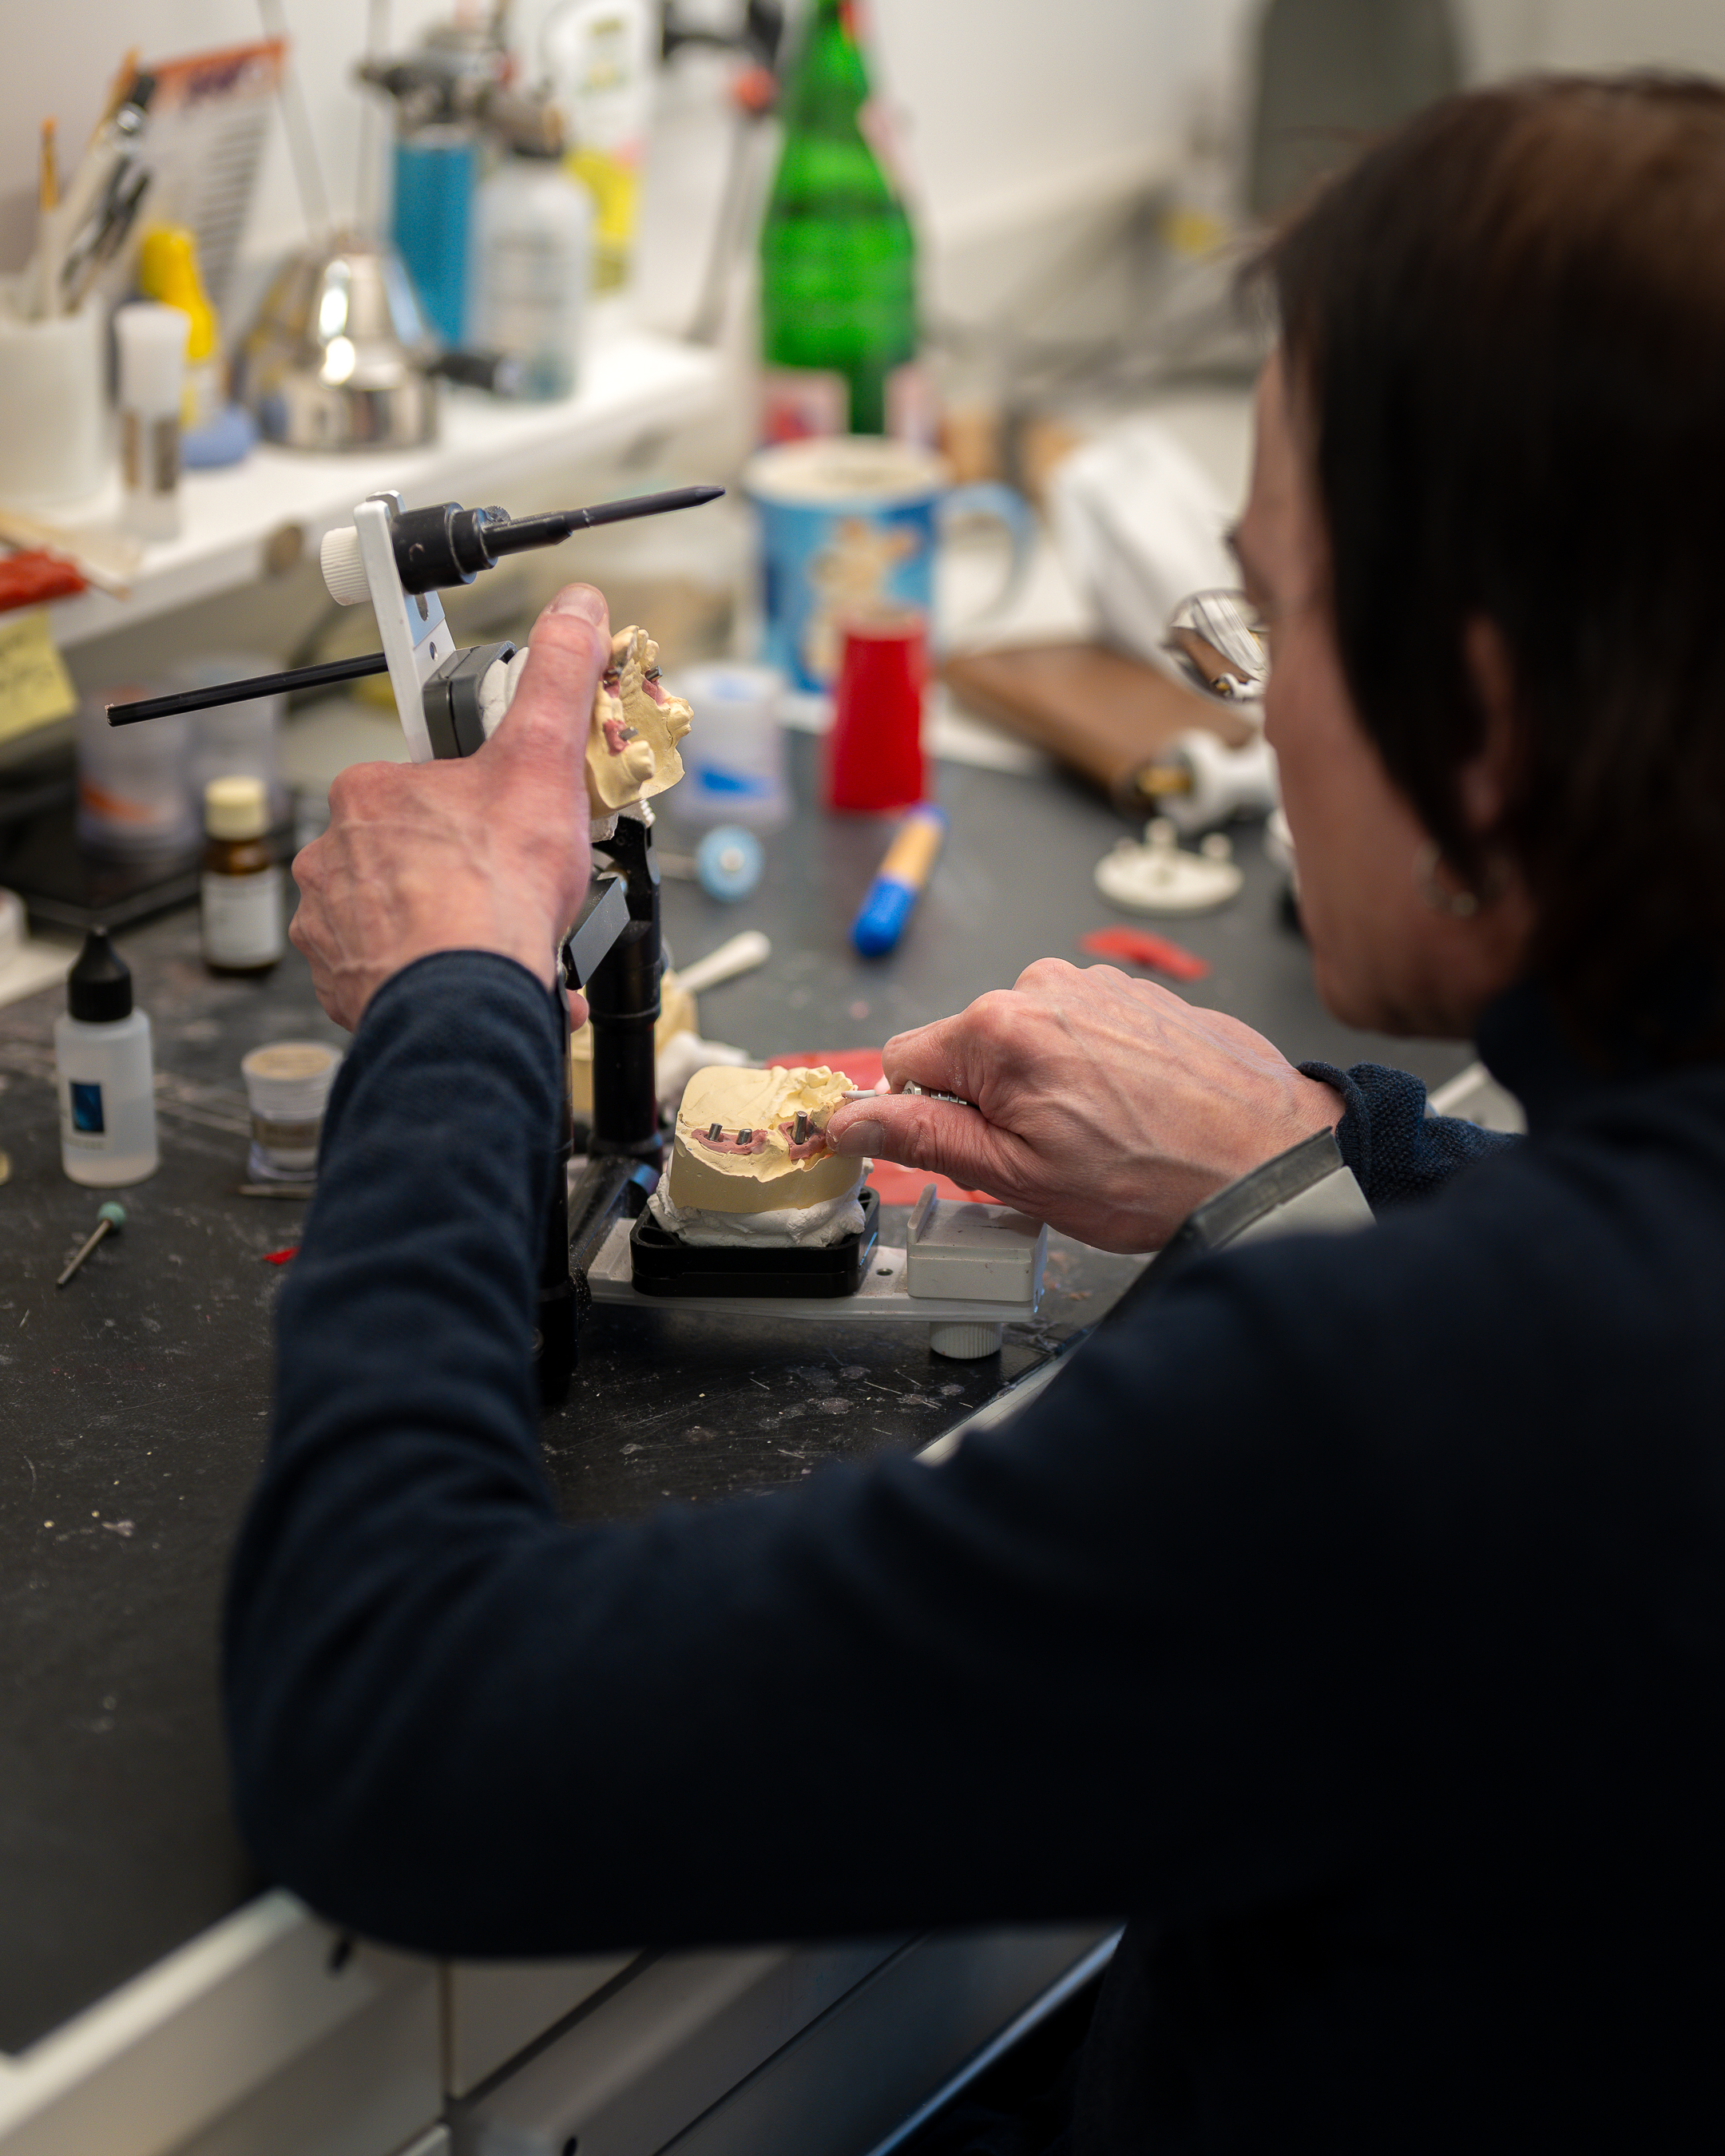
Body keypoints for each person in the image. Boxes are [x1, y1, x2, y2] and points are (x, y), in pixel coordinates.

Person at [225, 77, 1725, 2150]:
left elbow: (395, 1720)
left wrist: (454, 994)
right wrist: (1325, 1160)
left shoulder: (1409, 1424)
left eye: (1271, 619)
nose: (1250, 694)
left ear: (1472, 718)